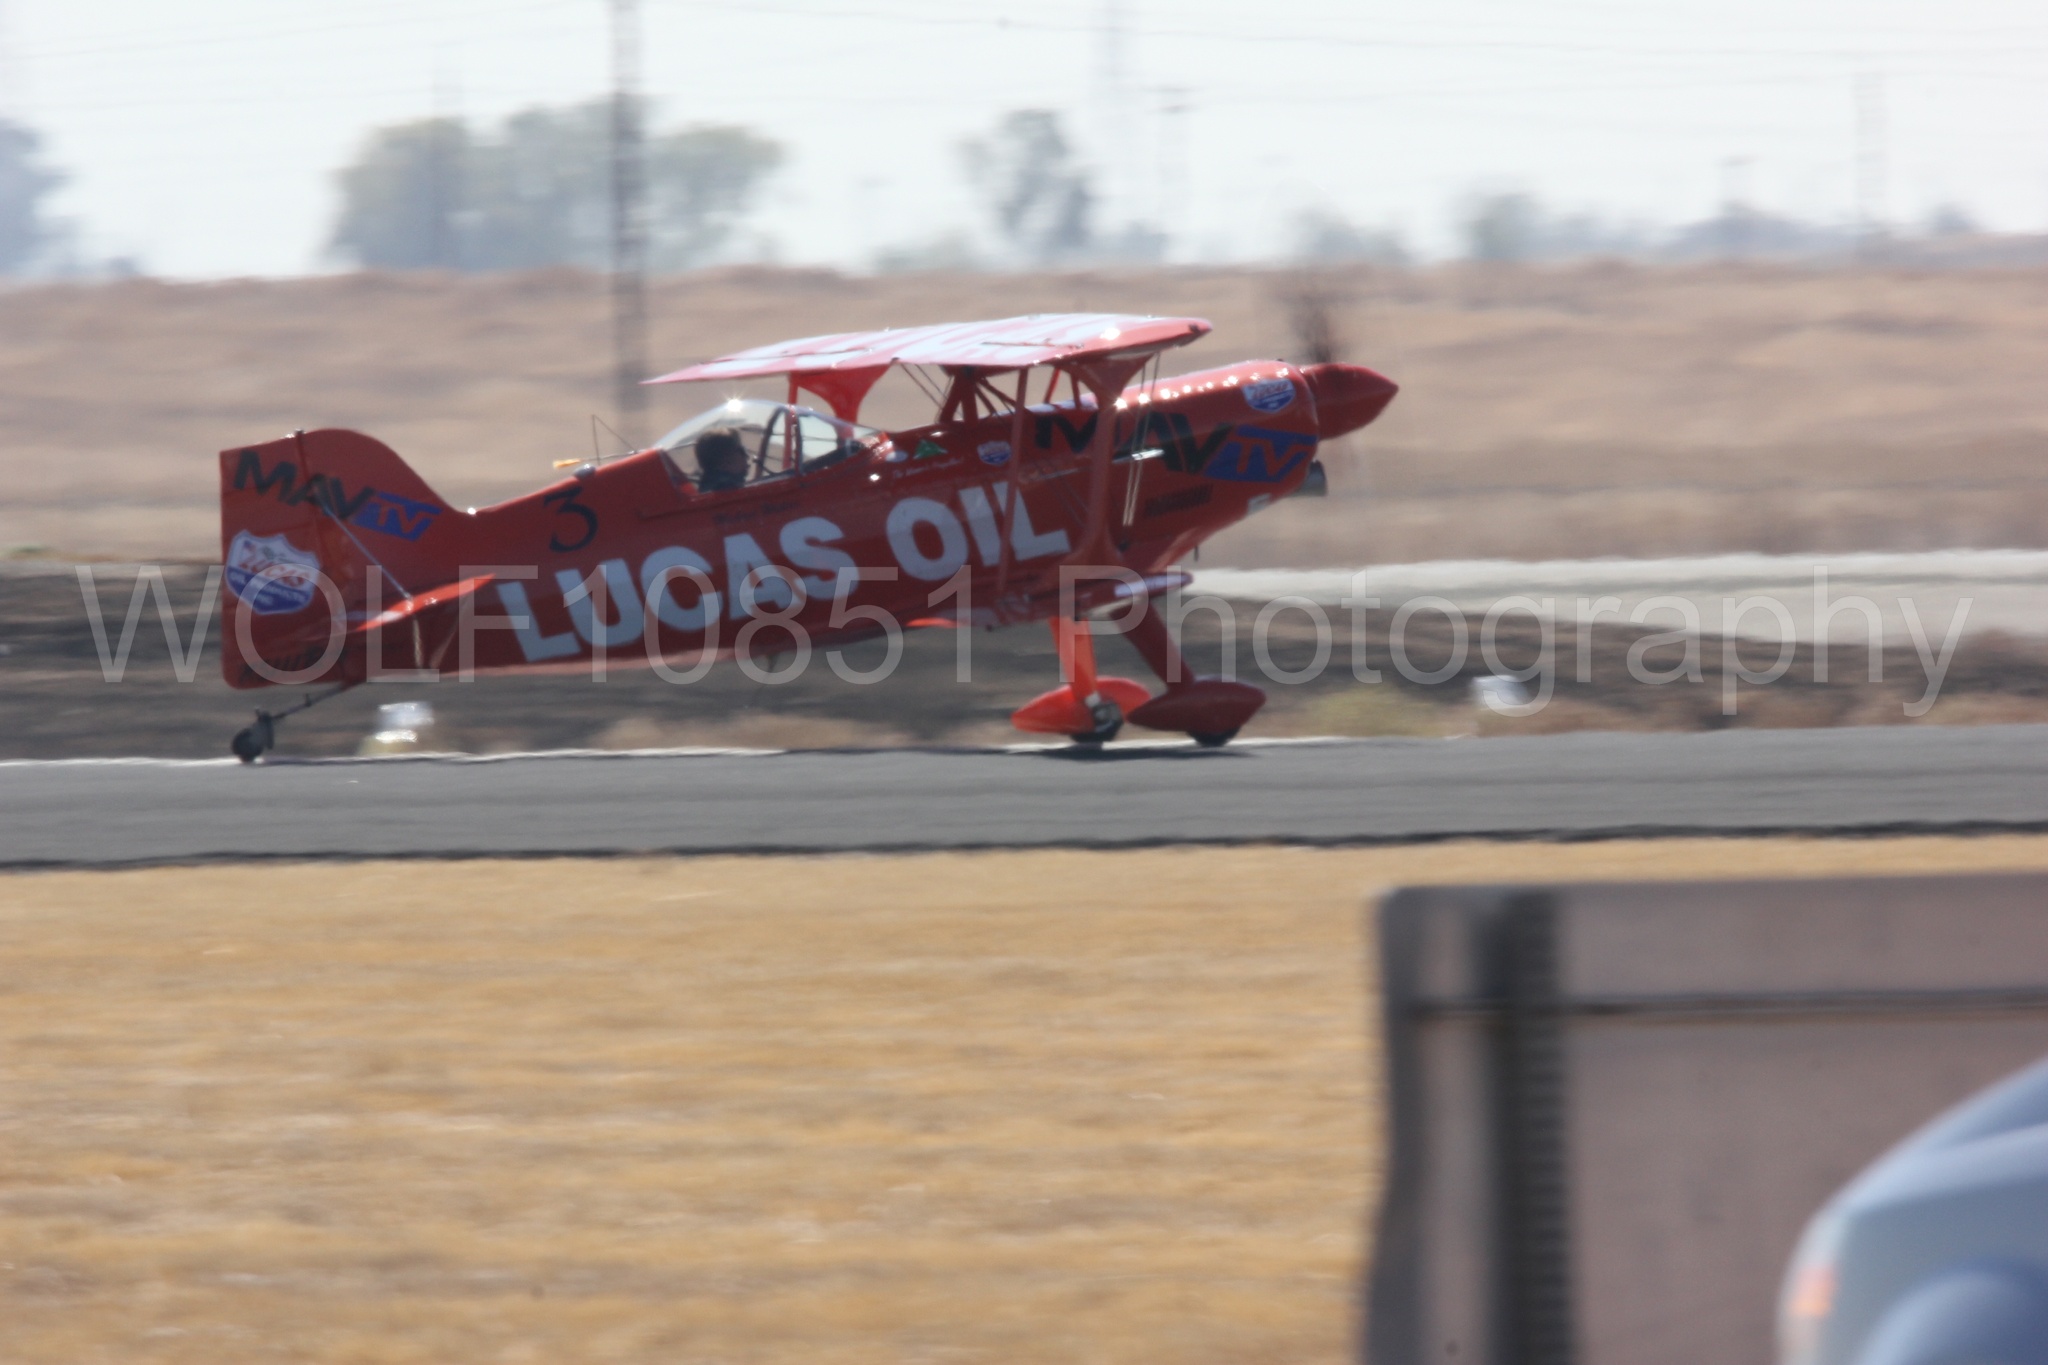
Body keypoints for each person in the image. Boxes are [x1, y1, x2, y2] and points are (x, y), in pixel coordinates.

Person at [694, 428, 749, 493]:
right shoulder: (728, 489)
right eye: (742, 450)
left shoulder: (707, 487)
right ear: (725, 461)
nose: (747, 456)